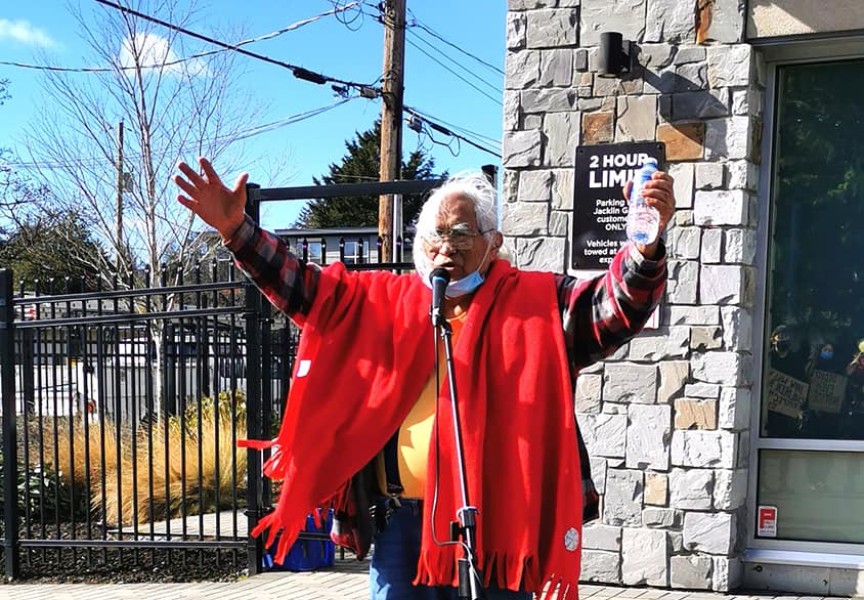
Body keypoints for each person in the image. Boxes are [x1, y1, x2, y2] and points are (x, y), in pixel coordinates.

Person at [173, 158, 675, 600]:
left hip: (497, 524)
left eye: (460, 233)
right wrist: (237, 229)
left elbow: (615, 309)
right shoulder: (382, 303)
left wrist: (646, 249)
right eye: (435, 236)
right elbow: (303, 289)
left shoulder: (540, 305)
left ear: (493, 243)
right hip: (402, 523)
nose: (445, 248)